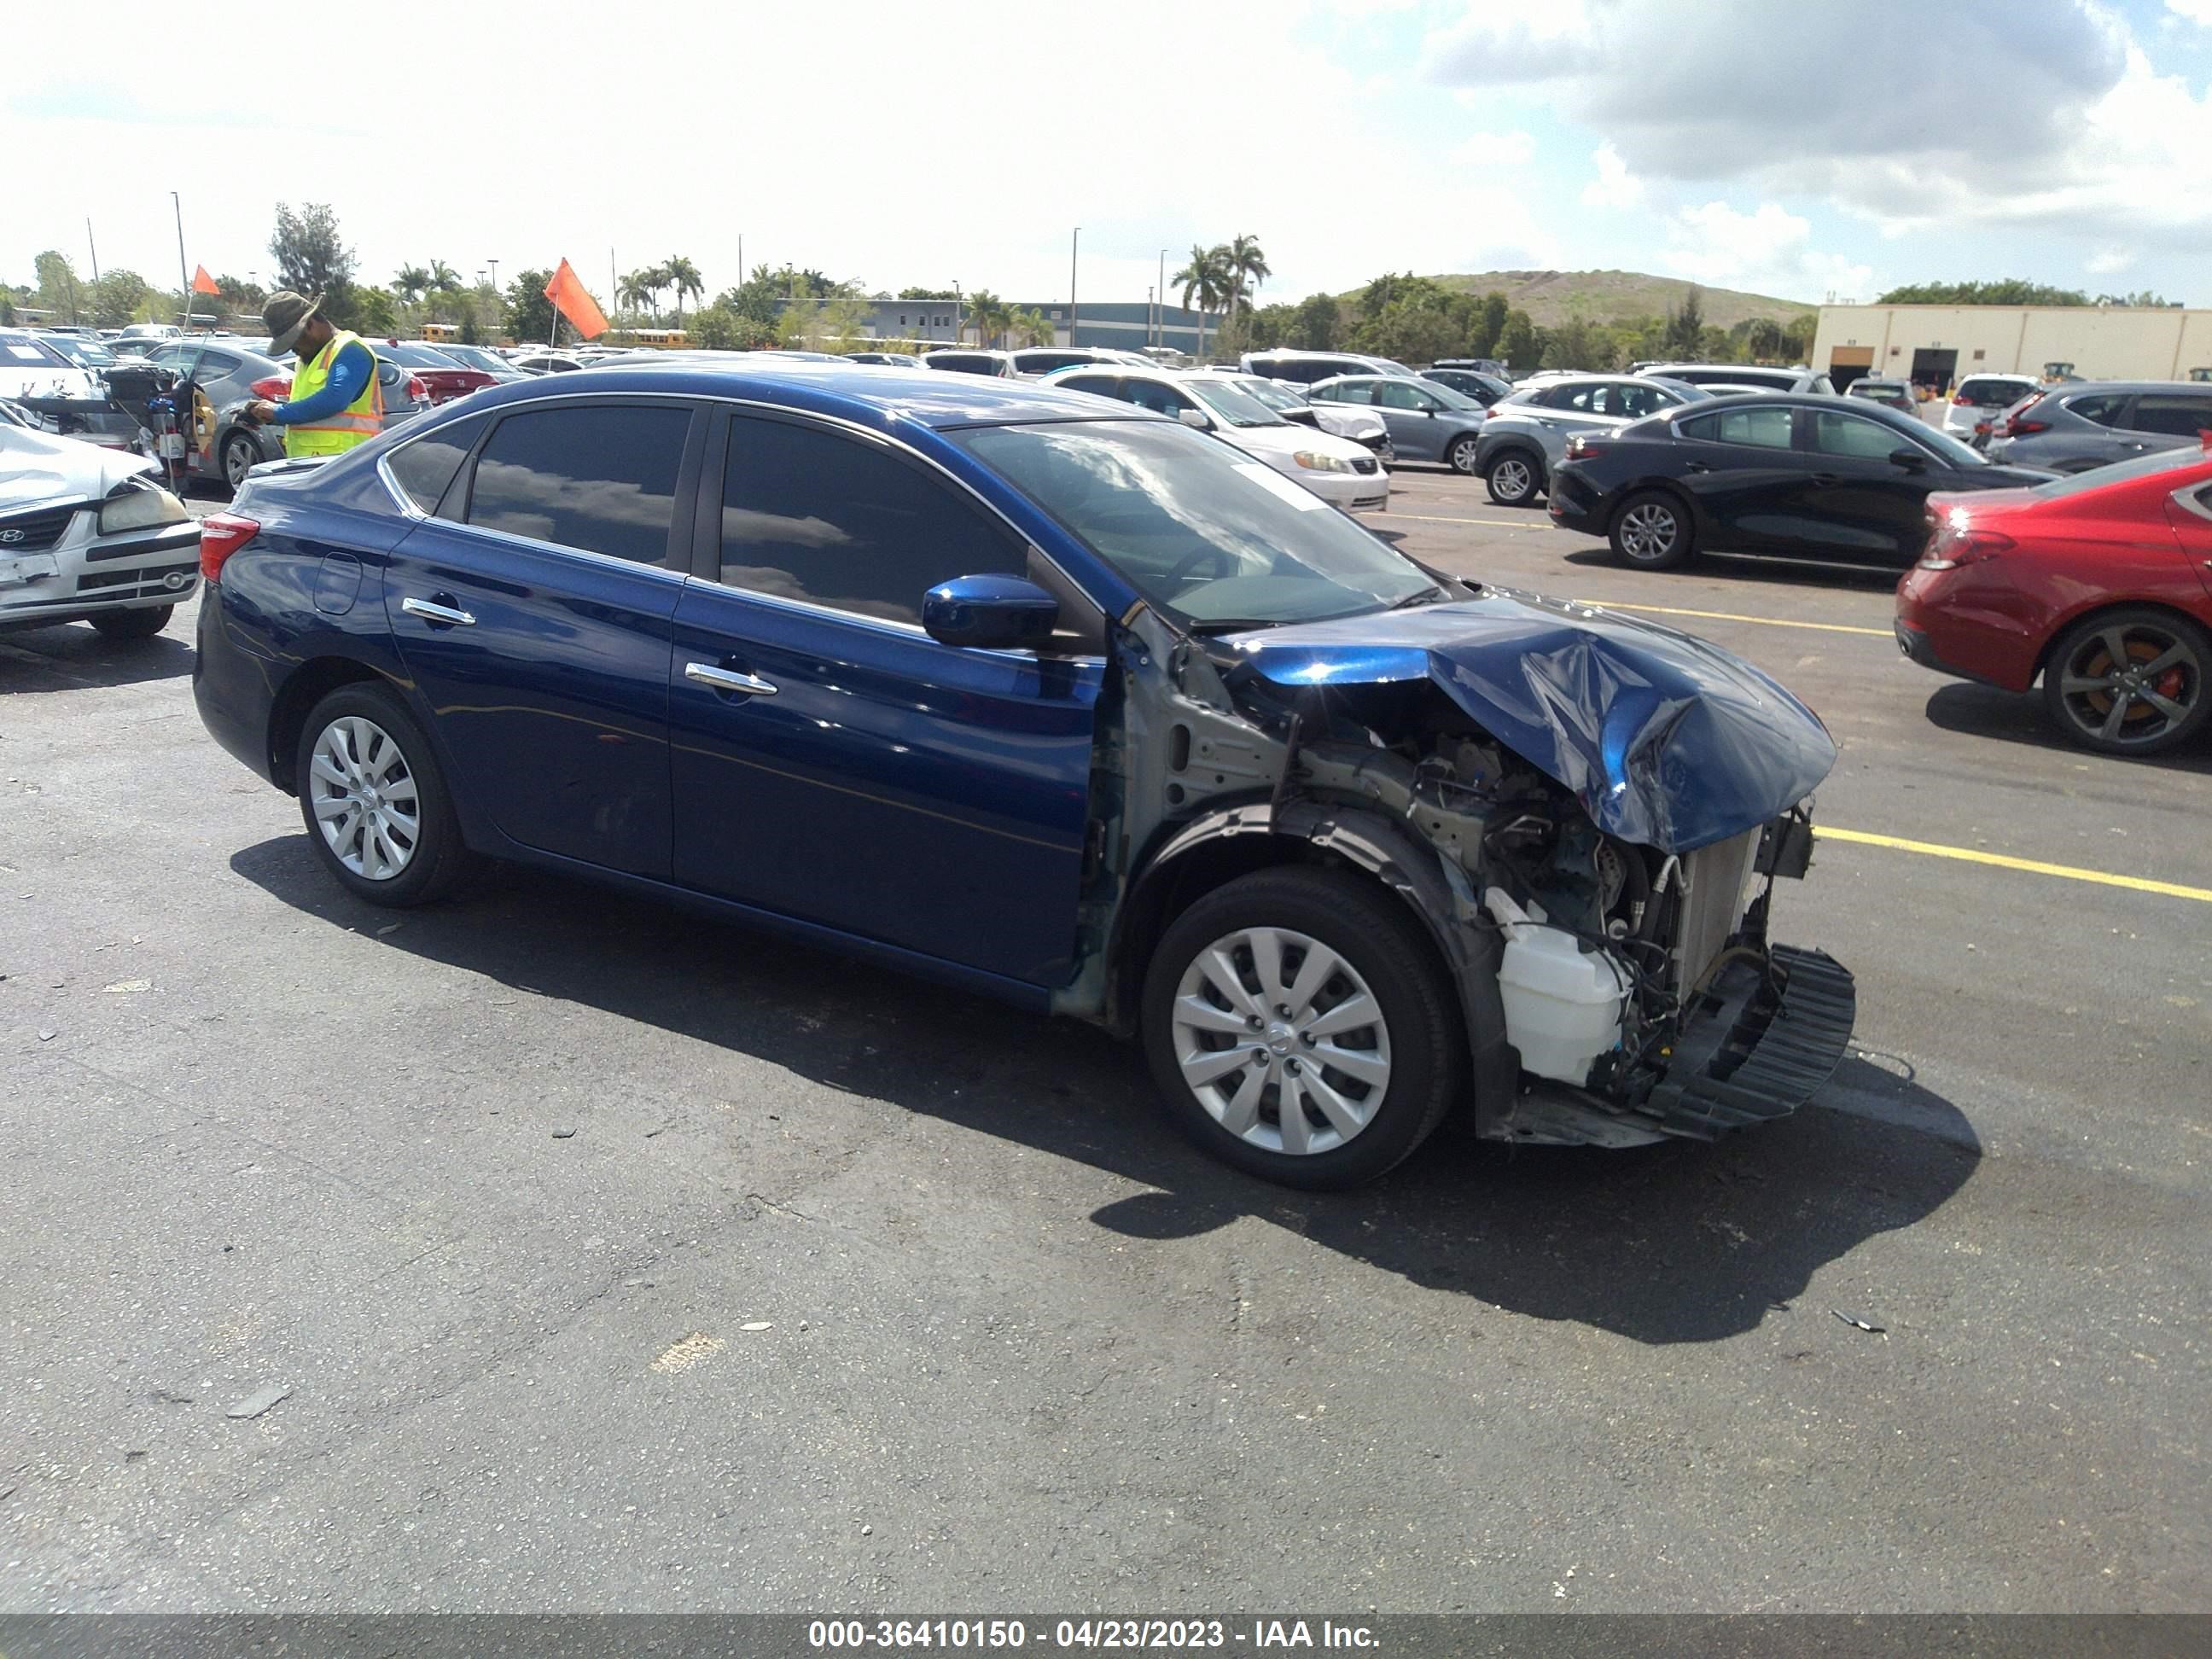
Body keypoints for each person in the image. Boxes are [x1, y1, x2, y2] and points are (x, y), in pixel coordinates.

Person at [245, 291, 383, 458]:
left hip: (347, 465)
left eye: (293, 341)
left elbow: (334, 399)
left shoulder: (350, 350)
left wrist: (278, 412)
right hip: (312, 466)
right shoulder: (307, 359)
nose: (292, 349)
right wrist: (266, 415)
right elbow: (307, 411)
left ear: (310, 324)